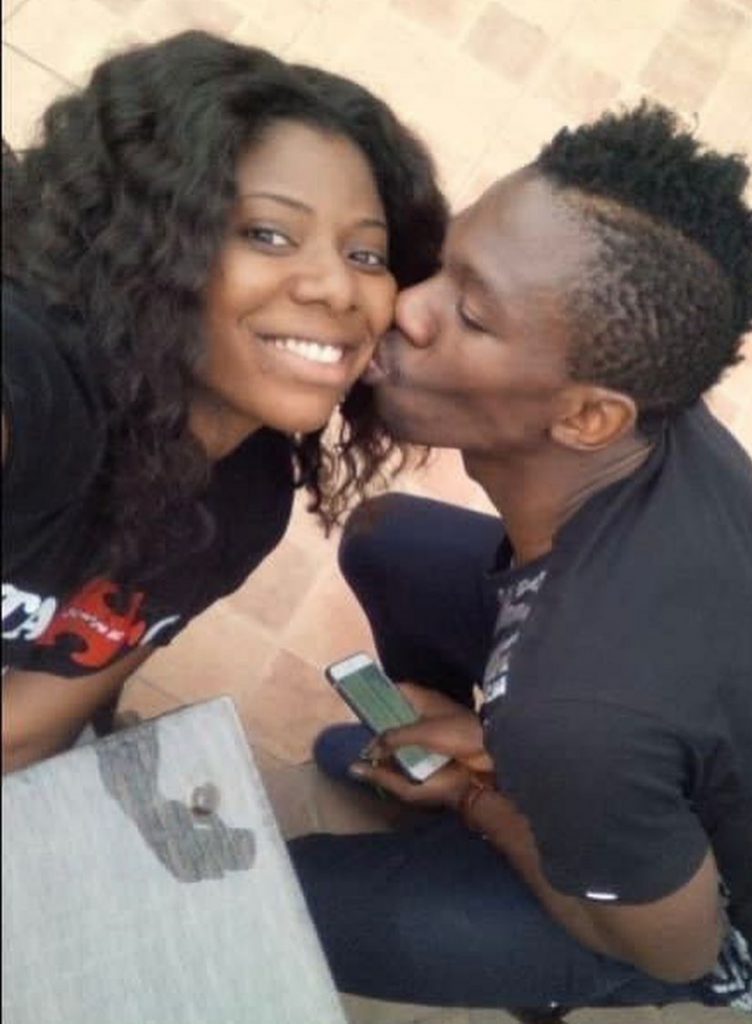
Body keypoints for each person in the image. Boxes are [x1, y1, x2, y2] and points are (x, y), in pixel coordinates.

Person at [289, 103, 752, 1017]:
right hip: (683, 751)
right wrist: (504, 747)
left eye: (469, 313)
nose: (407, 307)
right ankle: (530, 804)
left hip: (711, 916)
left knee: (294, 899)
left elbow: (681, 945)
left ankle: (528, 886)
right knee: (388, 541)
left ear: (586, 417)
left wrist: (480, 799)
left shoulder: (574, 707)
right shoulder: (658, 420)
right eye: (444, 265)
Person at [1, 31, 447, 773]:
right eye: (268, 235)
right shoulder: (32, 385)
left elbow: (23, 729)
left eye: (365, 254)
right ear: (149, 242)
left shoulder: (245, 500)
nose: (338, 288)